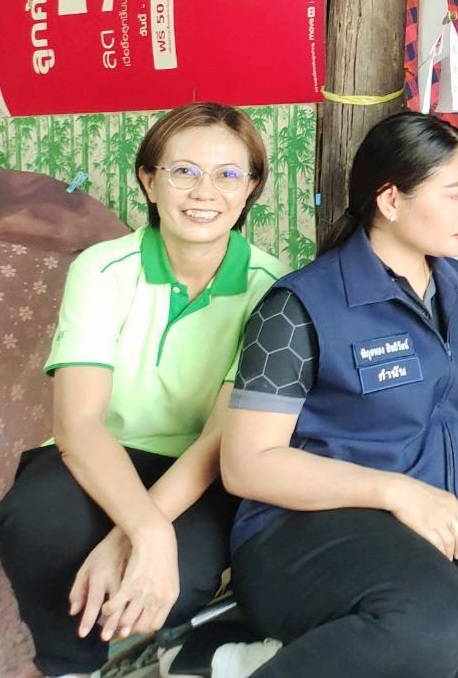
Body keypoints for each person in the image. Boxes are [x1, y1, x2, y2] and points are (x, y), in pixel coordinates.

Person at [221, 113, 458, 678]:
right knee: (432, 616)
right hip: (303, 532)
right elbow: (246, 465)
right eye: (455, 193)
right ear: (390, 199)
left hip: (432, 523)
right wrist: (397, 493)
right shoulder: (299, 305)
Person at [0, 103, 284, 678]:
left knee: (181, 575)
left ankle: (159, 657)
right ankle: (68, 666)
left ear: (251, 187)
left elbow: (217, 439)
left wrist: (130, 539)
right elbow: (80, 424)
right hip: (102, 452)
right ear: (149, 180)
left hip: (205, 469)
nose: (204, 191)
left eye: (228, 174)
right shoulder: (103, 268)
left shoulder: (273, 287)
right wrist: (148, 531)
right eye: (183, 171)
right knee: (35, 525)